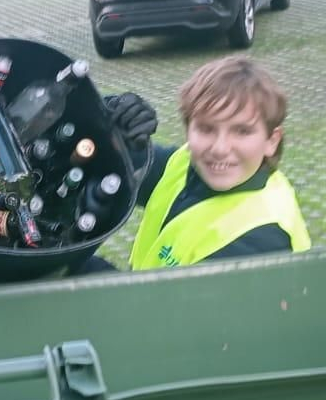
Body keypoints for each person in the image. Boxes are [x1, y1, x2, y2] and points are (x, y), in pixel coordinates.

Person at [123, 54, 311, 269]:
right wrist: (109, 120)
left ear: (271, 141)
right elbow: (119, 159)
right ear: (188, 130)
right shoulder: (182, 163)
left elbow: (176, 301)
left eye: (242, 131)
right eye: (206, 129)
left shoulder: (262, 238)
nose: (220, 149)